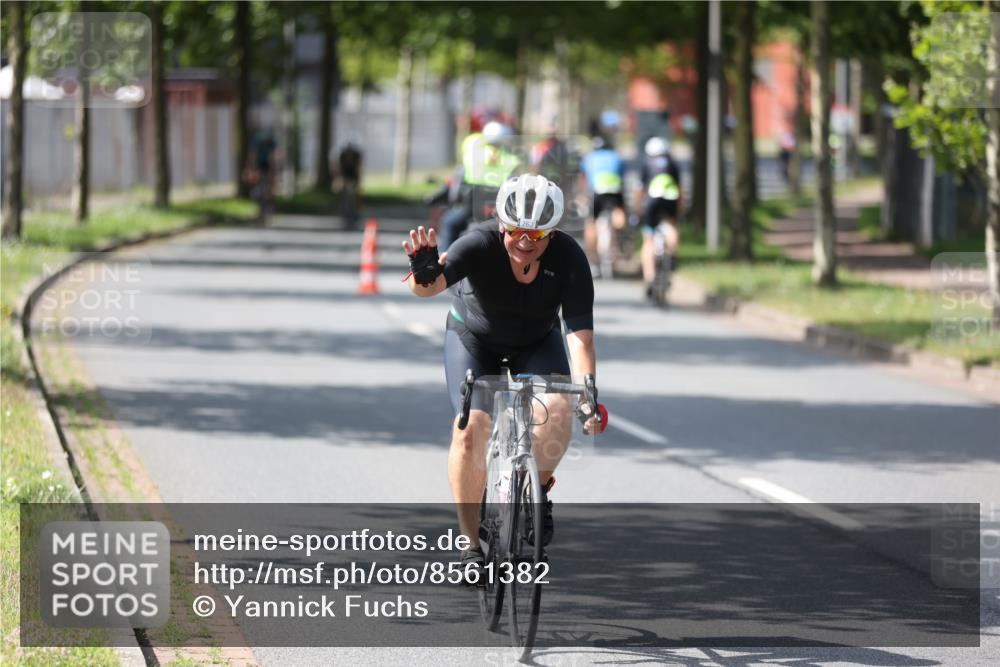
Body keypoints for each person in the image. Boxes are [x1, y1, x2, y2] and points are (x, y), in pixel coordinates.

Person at [401, 174, 604, 577]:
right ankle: (470, 544)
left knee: (559, 409)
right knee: (471, 429)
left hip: (535, 341)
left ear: (552, 232)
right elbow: (430, 285)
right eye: (516, 231)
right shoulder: (479, 243)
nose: (525, 241)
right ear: (501, 224)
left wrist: (587, 398)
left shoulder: (568, 258)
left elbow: (579, 339)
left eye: (538, 233)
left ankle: (536, 489)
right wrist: (424, 276)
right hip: (474, 339)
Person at [438, 121, 521, 251]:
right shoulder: (512, 158)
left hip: (472, 205)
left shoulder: (472, 151)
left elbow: (459, 178)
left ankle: (444, 260)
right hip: (499, 209)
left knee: (449, 224)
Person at [635, 136, 682, 298]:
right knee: (672, 227)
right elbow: (679, 189)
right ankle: (673, 258)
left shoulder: (646, 164)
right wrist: (679, 209)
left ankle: (650, 279)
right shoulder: (673, 164)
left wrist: (637, 209)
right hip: (671, 200)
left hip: (652, 202)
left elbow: (640, 189)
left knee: (648, 240)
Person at [579, 136, 627, 275]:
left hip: (597, 193)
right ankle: (619, 238)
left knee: (591, 223)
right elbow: (622, 176)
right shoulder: (616, 157)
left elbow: (583, 179)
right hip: (615, 191)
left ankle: (593, 259)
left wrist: (582, 196)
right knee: (620, 215)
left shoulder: (589, 157)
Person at [246, 128, 278, 204]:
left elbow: (272, 157)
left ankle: (266, 194)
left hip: (264, 163)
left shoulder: (258, 140)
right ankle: (264, 194)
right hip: (261, 163)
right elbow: (253, 155)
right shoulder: (258, 141)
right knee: (259, 178)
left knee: (268, 179)